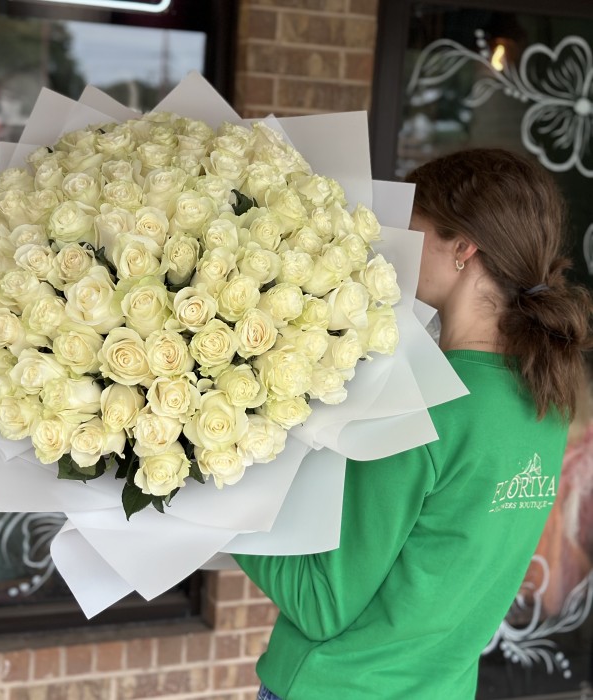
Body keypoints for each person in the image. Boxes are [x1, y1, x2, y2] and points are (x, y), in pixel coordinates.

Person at [233, 148, 592, 699]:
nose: (395, 243)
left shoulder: (428, 402)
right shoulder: (547, 401)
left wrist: (220, 495)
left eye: (411, 225)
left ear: (463, 249)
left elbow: (322, 603)